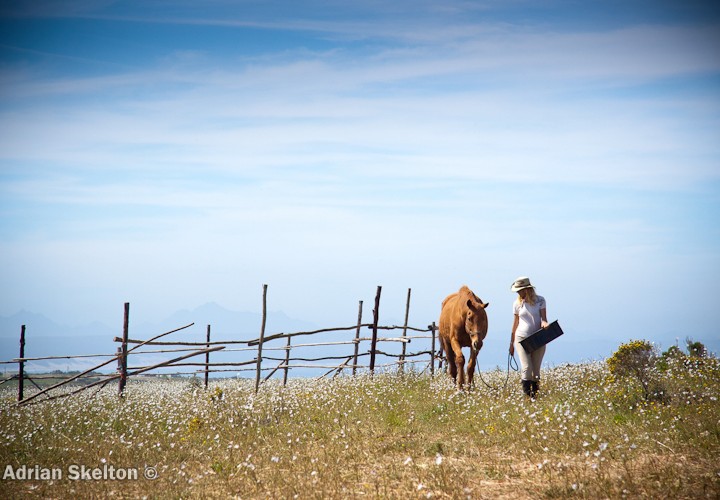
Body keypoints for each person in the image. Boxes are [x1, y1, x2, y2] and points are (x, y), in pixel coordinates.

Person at [509, 276, 548, 398]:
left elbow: (544, 319)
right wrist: (511, 344)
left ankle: (534, 397)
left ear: (527, 289)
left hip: (538, 338)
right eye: (517, 291)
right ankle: (527, 396)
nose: (519, 293)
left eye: (520, 290)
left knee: (535, 371)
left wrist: (544, 324)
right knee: (526, 367)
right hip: (521, 338)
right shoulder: (517, 303)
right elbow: (515, 323)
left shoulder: (540, 300)